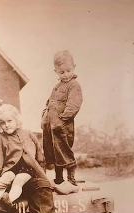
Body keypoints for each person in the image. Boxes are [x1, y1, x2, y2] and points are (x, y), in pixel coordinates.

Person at [41, 50, 83, 195]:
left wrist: (62, 120)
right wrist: (44, 117)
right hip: (51, 126)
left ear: (74, 67)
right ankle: (59, 179)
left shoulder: (74, 85)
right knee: (54, 152)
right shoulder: (57, 86)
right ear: (56, 71)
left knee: (64, 151)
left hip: (62, 127)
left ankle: (71, 180)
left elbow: (74, 104)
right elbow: (50, 102)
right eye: (61, 72)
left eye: (68, 70)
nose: (65, 74)